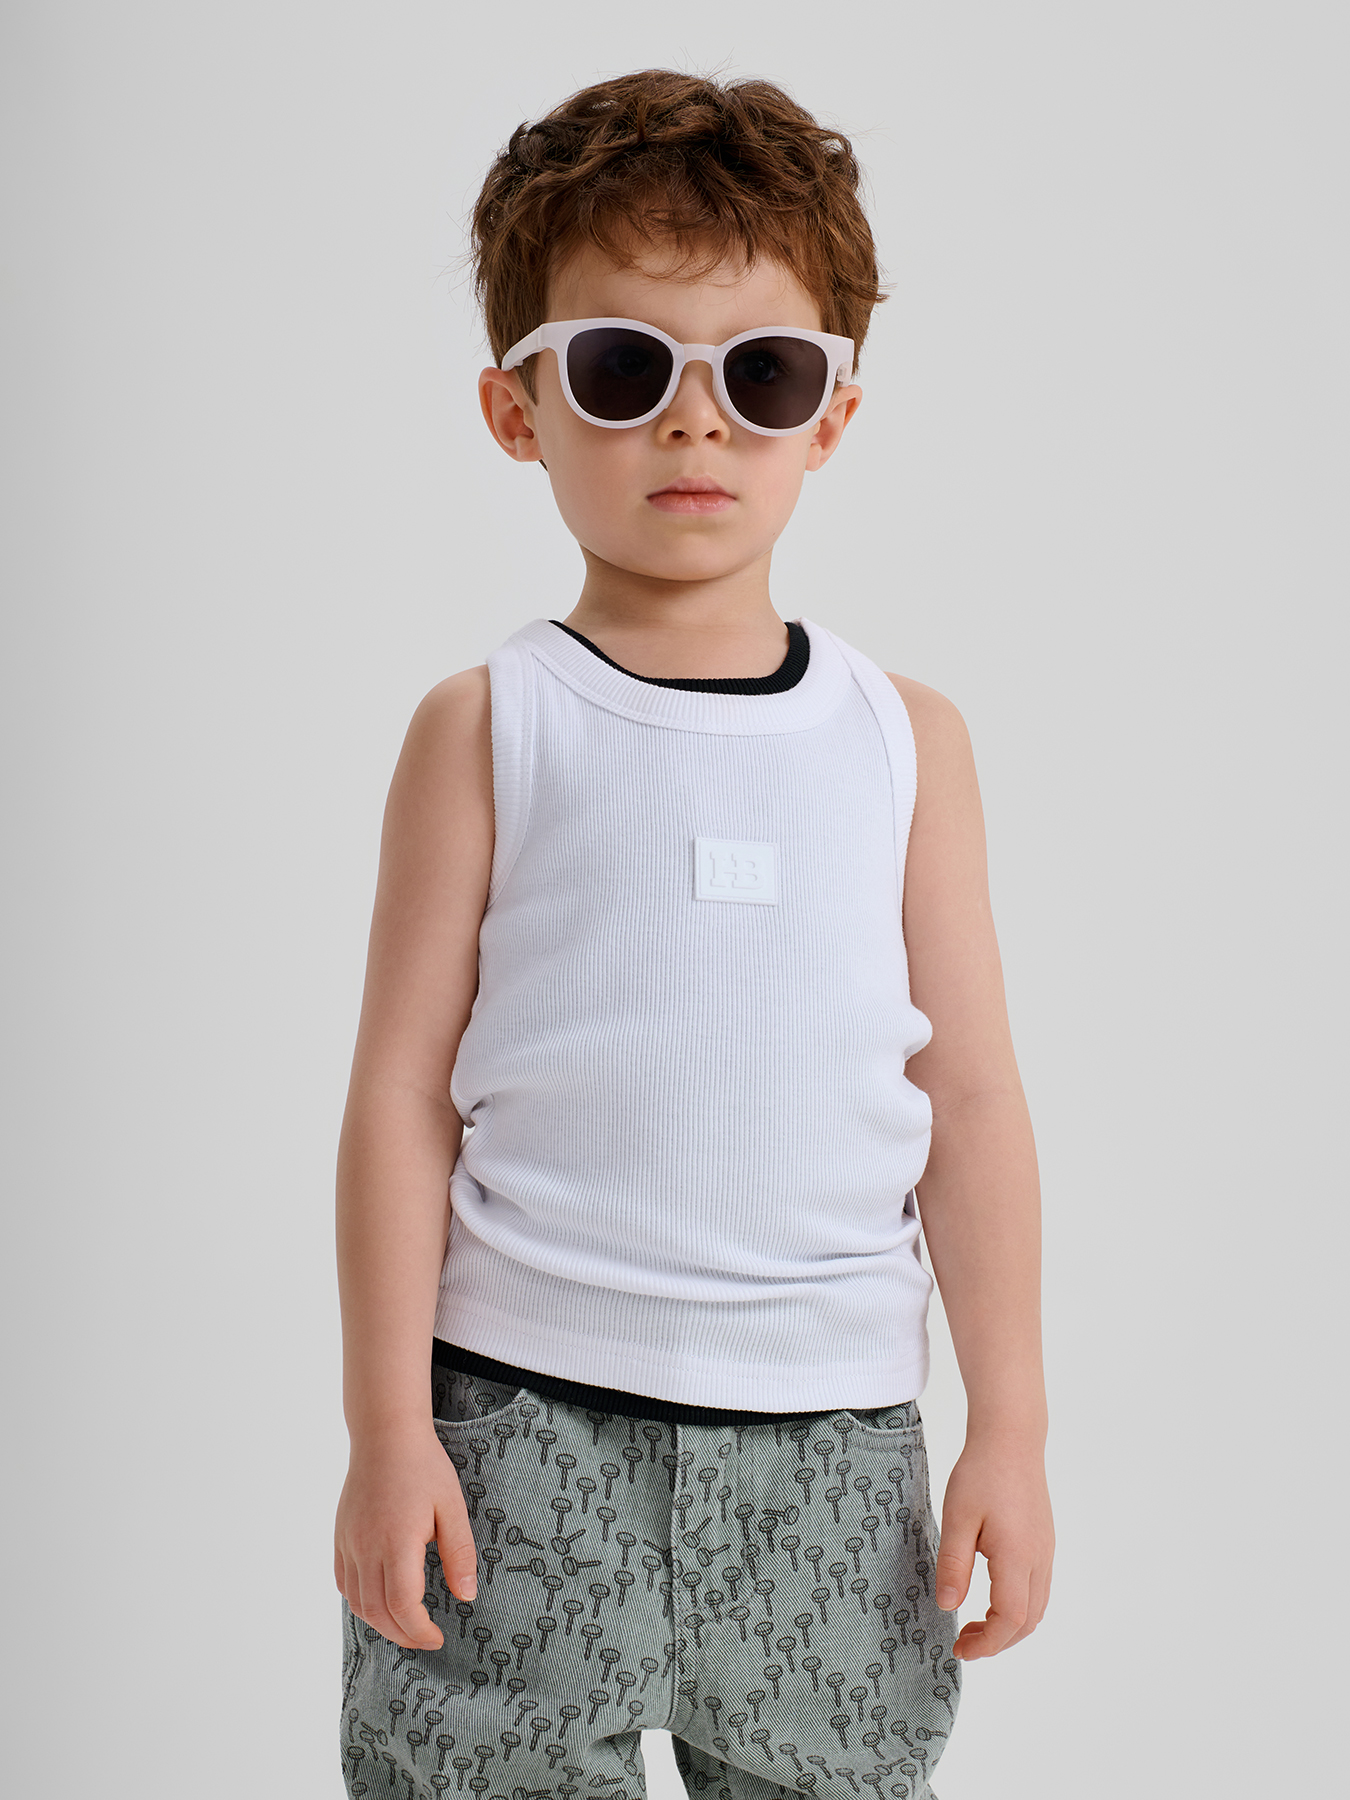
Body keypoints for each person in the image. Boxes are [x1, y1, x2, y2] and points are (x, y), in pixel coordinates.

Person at [333, 69, 1053, 1800]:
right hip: (516, 1433)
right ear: (517, 407)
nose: (695, 426)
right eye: (621, 368)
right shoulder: (486, 727)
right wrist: (384, 1430)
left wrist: (1011, 1427)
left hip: (833, 1453)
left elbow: (968, 1104)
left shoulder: (903, 741)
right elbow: (399, 1101)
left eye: (762, 375)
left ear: (832, 416)